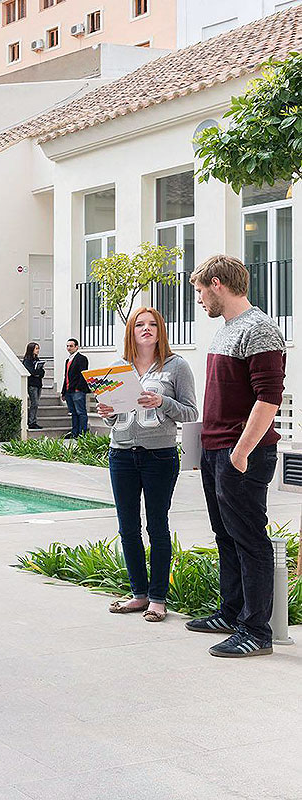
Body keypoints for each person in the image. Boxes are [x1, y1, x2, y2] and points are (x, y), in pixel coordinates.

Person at [186, 255, 285, 658]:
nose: (198, 300)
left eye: (200, 291)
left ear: (217, 284)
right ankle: (231, 614)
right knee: (225, 535)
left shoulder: (259, 328)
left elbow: (269, 398)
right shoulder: (227, 329)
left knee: (250, 540)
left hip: (241, 453)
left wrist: (240, 452)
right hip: (216, 450)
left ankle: (256, 631)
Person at [98, 308, 197, 623]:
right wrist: (107, 413)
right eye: (139, 324)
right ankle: (138, 594)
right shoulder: (118, 367)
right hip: (121, 455)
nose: (146, 328)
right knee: (127, 528)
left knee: (157, 526)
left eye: (153, 324)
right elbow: (115, 417)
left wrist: (162, 402)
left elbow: (191, 412)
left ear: (160, 330)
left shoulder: (176, 366)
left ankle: (157, 599)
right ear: (131, 331)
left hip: (159, 456)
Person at [61, 338, 91, 438]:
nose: (69, 348)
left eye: (71, 346)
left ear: (76, 347)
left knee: (81, 412)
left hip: (77, 390)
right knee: (73, 413)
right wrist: (63, 392)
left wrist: (78, 388)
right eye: (67, 346)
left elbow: (83, 375)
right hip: (69, 391)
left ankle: (82, 434)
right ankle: (74, 433)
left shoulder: (82, 358)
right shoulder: (67, 360)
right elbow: (66, 376)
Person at [22, 343, 45, 430]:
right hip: (32, 384)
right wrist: (37, 373)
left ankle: (33, 421)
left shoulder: (37, 359)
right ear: (31, 349)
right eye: (36, 348)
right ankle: (31, 422)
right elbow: (31, 372)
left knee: (36, 403)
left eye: (38, 348)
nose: (38, 350)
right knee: (34, 403)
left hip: (38, 383)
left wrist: (38, 373)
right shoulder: (27, 361)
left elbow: (42, 372)